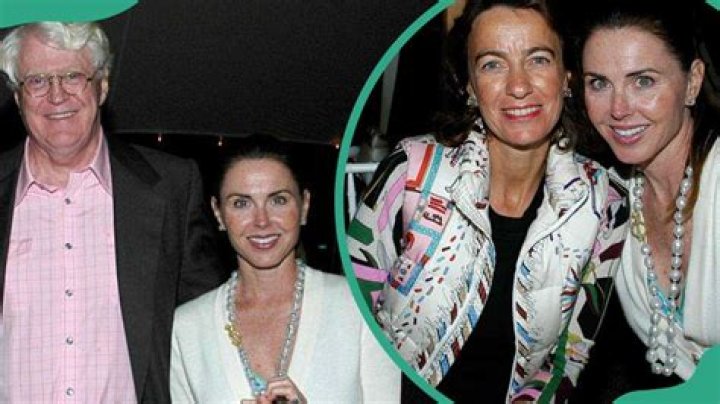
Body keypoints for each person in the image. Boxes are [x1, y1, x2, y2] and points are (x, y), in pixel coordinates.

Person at [346, 0, 630, 401]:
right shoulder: (411, 172)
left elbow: (570, 356)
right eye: (492, 64)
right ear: (469, 86)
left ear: (567, 76)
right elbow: (351, 316)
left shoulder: (606, 204)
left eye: (538, 59)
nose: (518, 86)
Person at [0, 22, 224, 402]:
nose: (57, 95)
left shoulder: (171, 187)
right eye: (37, 81)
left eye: (73, 76)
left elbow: (211, 321)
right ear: (18, 98)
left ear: (102, 86)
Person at [170, 135, 401, 403]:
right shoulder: (186, 328)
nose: (261, 221)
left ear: (304, 205)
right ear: (218, 213)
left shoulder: (358, 306)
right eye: (241, 203)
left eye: (278, 200)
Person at [574, 0, 720, 393]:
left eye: (643, 81)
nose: (618, 109)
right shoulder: (615, 200)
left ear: (692, 82)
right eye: (599, 83)